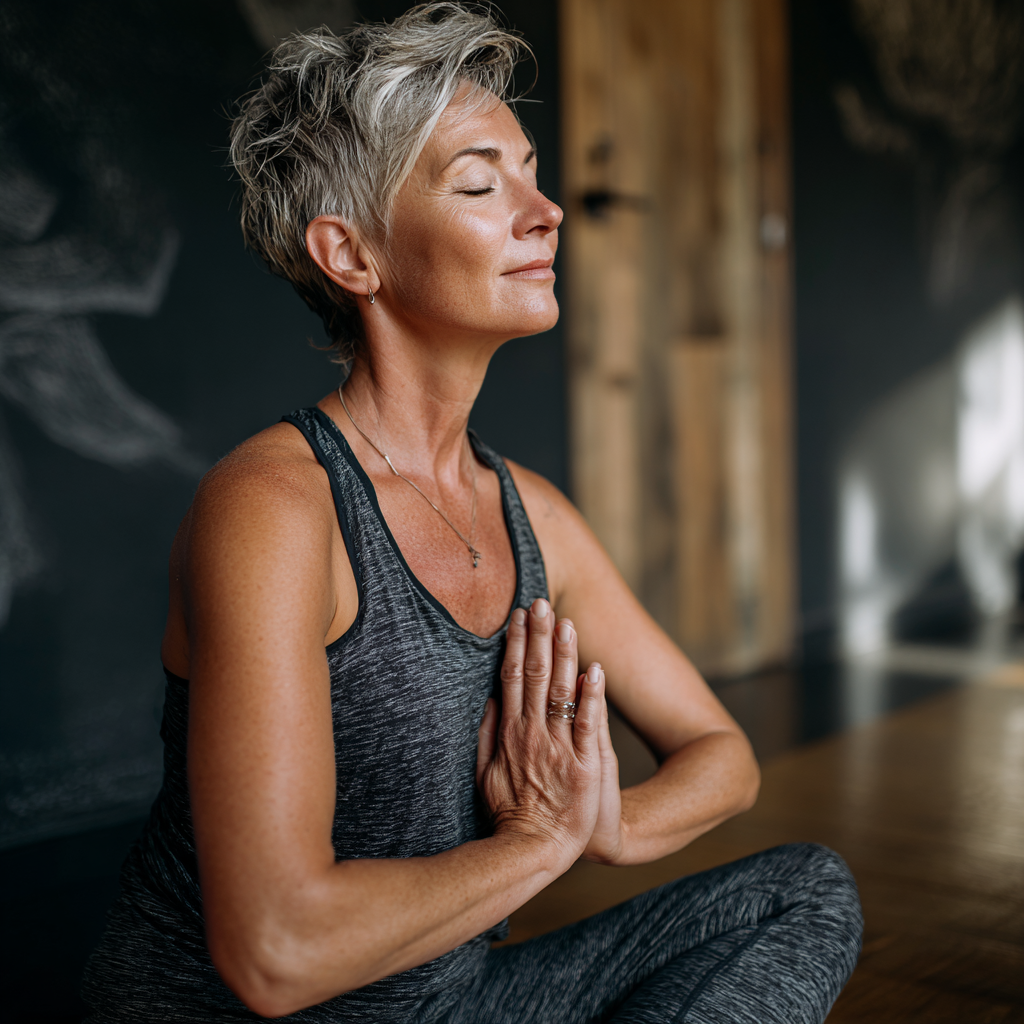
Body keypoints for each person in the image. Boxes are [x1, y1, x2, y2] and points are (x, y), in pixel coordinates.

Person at [82, 5, 862, 1021]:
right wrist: (534, 842)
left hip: (449, 1000)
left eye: (532, 173)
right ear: (351, 256)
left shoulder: (531, 511)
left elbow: (722, 756)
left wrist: (601, 824)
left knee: (803, 890)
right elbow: (275, 951)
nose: (546, 212)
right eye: (481, 183)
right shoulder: (275, 506)